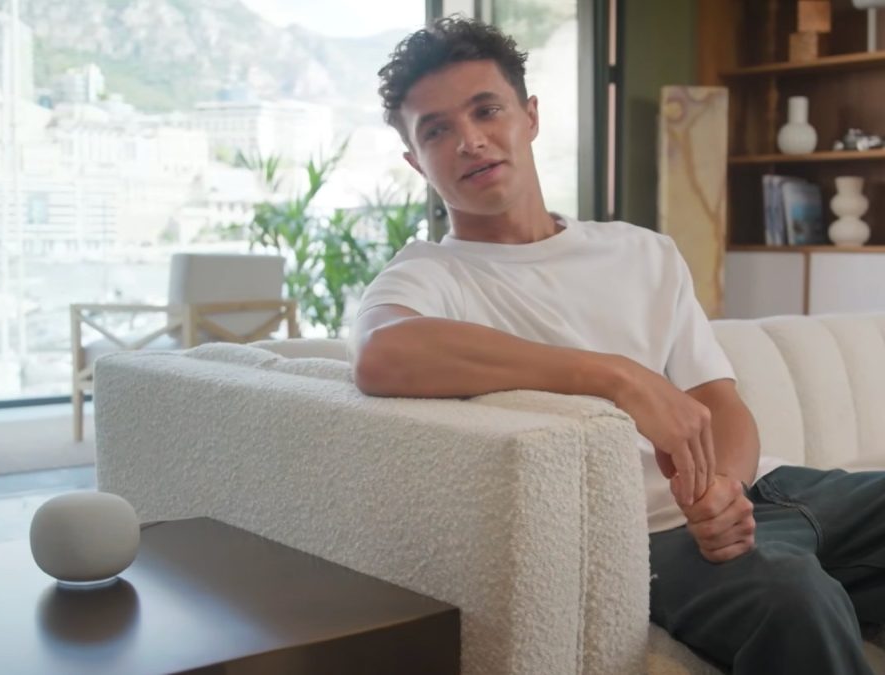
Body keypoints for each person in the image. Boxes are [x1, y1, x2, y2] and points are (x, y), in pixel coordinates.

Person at [355, 16, 885, 674]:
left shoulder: (642, 251)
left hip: (768, 489)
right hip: (651, 536)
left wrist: (725, 487)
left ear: (530, 116)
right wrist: (616, 376)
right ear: (415, 160)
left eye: (486, 110)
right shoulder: (430, 274)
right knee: (797, 601)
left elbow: (719, 401)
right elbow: (382, 354)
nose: (470, 140)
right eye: (436, 130)